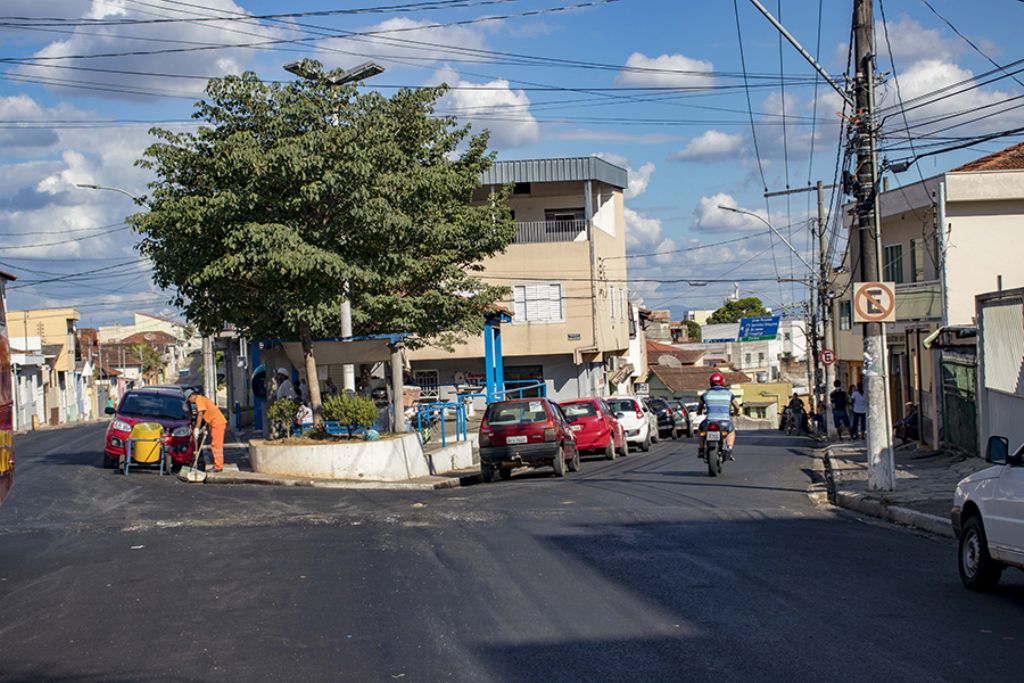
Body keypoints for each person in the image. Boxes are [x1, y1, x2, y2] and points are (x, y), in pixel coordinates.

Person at [697, 371, 741, 460]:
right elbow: (737, 407)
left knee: (700, 430)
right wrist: (735, 413)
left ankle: (701, 449)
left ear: (711, 382)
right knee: (731, 431)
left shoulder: (705, 394)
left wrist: (699, 412)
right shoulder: (728, 393)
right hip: (724, 422)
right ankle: (729, 448)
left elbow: (700, 407)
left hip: (709, 421)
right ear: (722, 382)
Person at [187, 392, 227, 473]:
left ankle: (218, 466)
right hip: (215, 423)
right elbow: (208, 412)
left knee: (216, 445)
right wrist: (205, 426)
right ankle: (218, 465)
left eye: (189, 400)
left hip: (217, 424)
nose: (190, 402)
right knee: (215, 445)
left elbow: (200, 414)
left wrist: (196, 428)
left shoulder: (199, 400)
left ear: (191, 396)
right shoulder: (202, 399)